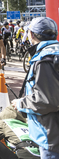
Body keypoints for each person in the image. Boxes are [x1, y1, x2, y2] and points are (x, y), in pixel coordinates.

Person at [11, 17, 59, 158]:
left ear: (31, 34)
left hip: (51, 135)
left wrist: (20, 103)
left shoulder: (45, 59)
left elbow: (46, 100)